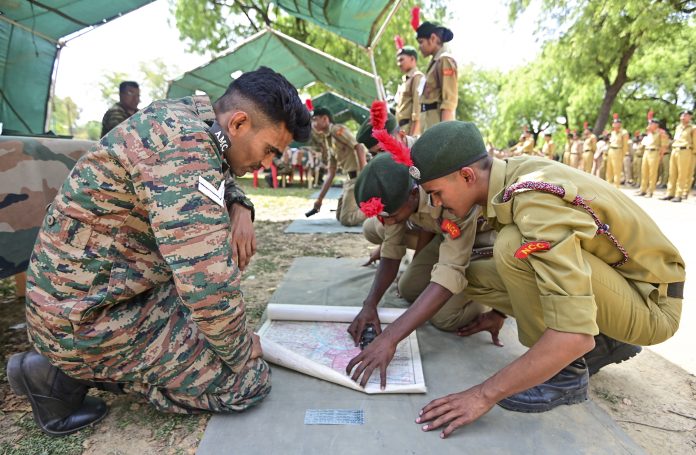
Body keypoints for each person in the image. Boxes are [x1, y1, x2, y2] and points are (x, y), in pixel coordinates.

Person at [7, 67, 311, 436]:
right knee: (248, 381)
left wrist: (239, 203)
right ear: (238, 123)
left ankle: (73, 366)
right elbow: (207, 285)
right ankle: (61, 375)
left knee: (207, 331)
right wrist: (241, 349)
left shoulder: (191, 117)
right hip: (84, 319)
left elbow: (216, 169)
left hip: (88, 296)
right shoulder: (185, 148)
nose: (266, 164)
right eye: (269, 150)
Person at [348, 121, 684, 439]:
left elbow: (573, 334)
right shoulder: (508, 180)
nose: (435, 203)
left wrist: (482, 394)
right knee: (474, 272)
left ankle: (566, 375)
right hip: (622, 287)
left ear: (466, 175)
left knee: (511, 247)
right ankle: (605, 338)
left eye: (436, 193)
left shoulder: (533, 202)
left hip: (651, 305)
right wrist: (499, 312)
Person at [349, 153, 493, 344]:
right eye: (384, 217)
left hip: (482, 244)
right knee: (408, 289)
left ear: (414, 194)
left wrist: (390, 338)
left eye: (392, 216)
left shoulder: (449, 199)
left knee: (444, 318)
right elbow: (391, 252)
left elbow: (450, 268)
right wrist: (370, 304)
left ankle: (490, 302)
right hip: (447, 238)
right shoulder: (397, 198)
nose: (389, 222)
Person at [310, 107, 368, 226]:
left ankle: (375, 208)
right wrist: (319, 199)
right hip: (349, 180)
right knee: (339, 215)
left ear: (325, 119)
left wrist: (364, 175)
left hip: (358, 177)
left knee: (347, 219)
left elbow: (359, 147)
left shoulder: (337, 130)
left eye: (315, 119)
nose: (313, 123)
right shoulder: (328, 140)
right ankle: (363, 208)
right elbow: (331, 173)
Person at [415, 20, 458, 132]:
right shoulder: (434, 63)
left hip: (437, 127)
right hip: (428, 123)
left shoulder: (445, 60)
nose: (419, 47)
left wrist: (444, 134)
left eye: (421, 42)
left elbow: (449, 102)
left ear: (433, 38)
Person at [662, 110, 694, 202]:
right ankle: (670, 193)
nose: (683, 117)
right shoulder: (678, 127)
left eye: (686, 115)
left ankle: (679, 194)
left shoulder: (693, 128)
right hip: (675, 149)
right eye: (682, 115)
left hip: (685, 150)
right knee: (672, 173)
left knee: (682, 174)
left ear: (690, 117)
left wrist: (693, 153)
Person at [394, 45, 424, 136]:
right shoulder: (406, 80)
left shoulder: (417, 77)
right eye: (398, 61)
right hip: (400, 128)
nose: (399, 64)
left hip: (409, 129)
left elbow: (417, 108)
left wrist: (412, 136)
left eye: (401, 60)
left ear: (412, 59)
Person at [637, 115, 668, 198]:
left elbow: (664, 146)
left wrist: (661, 156)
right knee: (644, 172)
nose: (649, 125)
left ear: (656, 125)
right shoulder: (649, 133)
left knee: (652, 173)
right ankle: (643, 189)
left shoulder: (661, 133)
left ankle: (650, 191)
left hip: (655, 152)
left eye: (651, 124)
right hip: (646, 152)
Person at [605, 114, 629, 188]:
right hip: (611, 151)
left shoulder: (624, 132)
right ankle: (608, 186)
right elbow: (609, 143)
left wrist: (622, 154)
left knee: (617, 171)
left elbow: (625, 145)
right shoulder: (612, 133)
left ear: (619, 124)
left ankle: (616, 187)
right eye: (613, 123)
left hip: (618, 151)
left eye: (615, 123)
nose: (614, 124)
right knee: (609, 170)